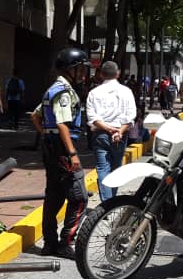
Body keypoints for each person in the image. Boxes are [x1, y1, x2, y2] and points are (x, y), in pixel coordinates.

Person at [31, 47, 90, 259]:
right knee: (79, 197)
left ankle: (49, 243)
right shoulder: (64, 92)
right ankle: (65, 242)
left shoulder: (53, 89)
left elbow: (36, 117)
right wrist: (72, 154)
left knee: (54, 195)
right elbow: (63, 124)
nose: (83, 73)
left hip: (51, 147)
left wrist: (47, 135)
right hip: (63, 149)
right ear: (69, 70)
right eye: (80, 68)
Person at [85, 61, 136, 202]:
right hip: (120, 135)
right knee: (116, 169)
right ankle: (111, 202)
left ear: (101, 74)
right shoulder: (126, 92)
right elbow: (131, 115)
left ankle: (107, 203)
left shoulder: (93, 93)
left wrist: (108, 128)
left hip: (100, 134)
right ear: (118, 73)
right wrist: (119, 131)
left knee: (102, 169)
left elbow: (93, 118)